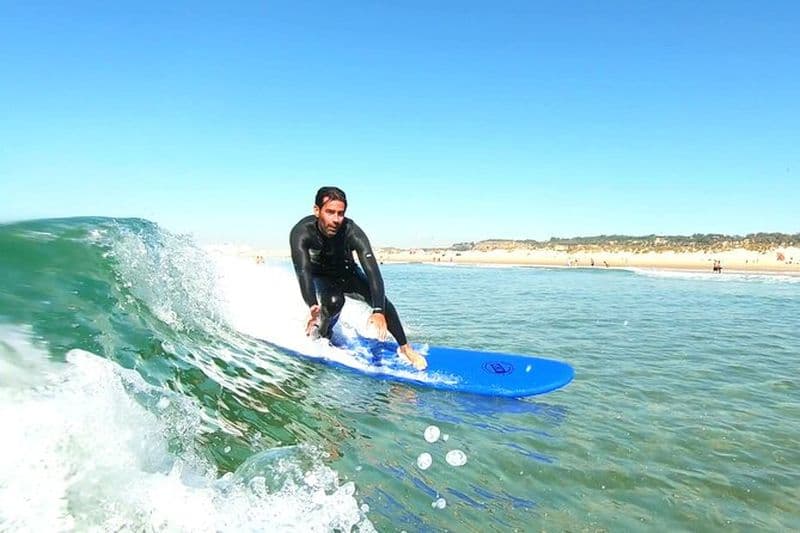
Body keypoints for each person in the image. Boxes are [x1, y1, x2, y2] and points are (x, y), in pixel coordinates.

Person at [289, 186, 427, 370]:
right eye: (330, 212)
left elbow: (372, 271)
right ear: (317, 210)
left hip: (348, 272)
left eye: (340, 213)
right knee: (334, 302)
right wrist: (312, 305)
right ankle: (322, 334)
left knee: (383, 303)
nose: (336, 219)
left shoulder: (351, 231)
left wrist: (378, 311)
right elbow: (303, 271)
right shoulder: (302, 232)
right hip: (320, 275)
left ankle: (405, 348)